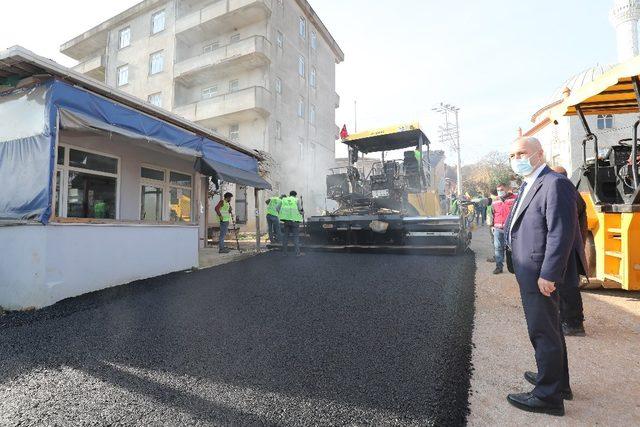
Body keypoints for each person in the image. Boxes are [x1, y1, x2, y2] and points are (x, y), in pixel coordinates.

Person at [504, 137, 587, 416]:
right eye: (513, 154)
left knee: (543, 333)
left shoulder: (554, 183)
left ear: (540, 153)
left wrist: (549, 274)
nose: (517, 158)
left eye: (522, 153)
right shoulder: (529, 184)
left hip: (541, 274)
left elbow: (561, 232)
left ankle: (547, 396)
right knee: (551, 330)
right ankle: (558, 383)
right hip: (530, 271)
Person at [551, 166, 587, 336]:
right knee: (563, 285)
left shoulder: (566, 192)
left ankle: (574, 324)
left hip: (568, 246)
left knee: (568, 286)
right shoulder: (570, 191)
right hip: (569, 245)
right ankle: (566, 319)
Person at [490, 183, 517, 274]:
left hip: (510, 228)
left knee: (512, 248)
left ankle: (514, 267)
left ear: (506, 189)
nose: (499, 192)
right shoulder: (495, 201)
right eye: (498, 190)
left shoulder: (515, 198)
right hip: (498, 228)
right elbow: (492, 213)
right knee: (498, 248)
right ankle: (499, 267)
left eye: (501, 189)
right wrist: (491, 225)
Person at [279, 191, 304, 256]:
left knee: (285, 237)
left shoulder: (283, 200)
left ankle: (284, 253)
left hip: (286, 221)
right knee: (295, 237)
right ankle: (297, 253)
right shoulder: (296, 200)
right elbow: (300, 209)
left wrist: (282, 213)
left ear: (289, 195)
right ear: (295, 195)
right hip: (294, 221)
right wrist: (302, 213)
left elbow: (277, 208)